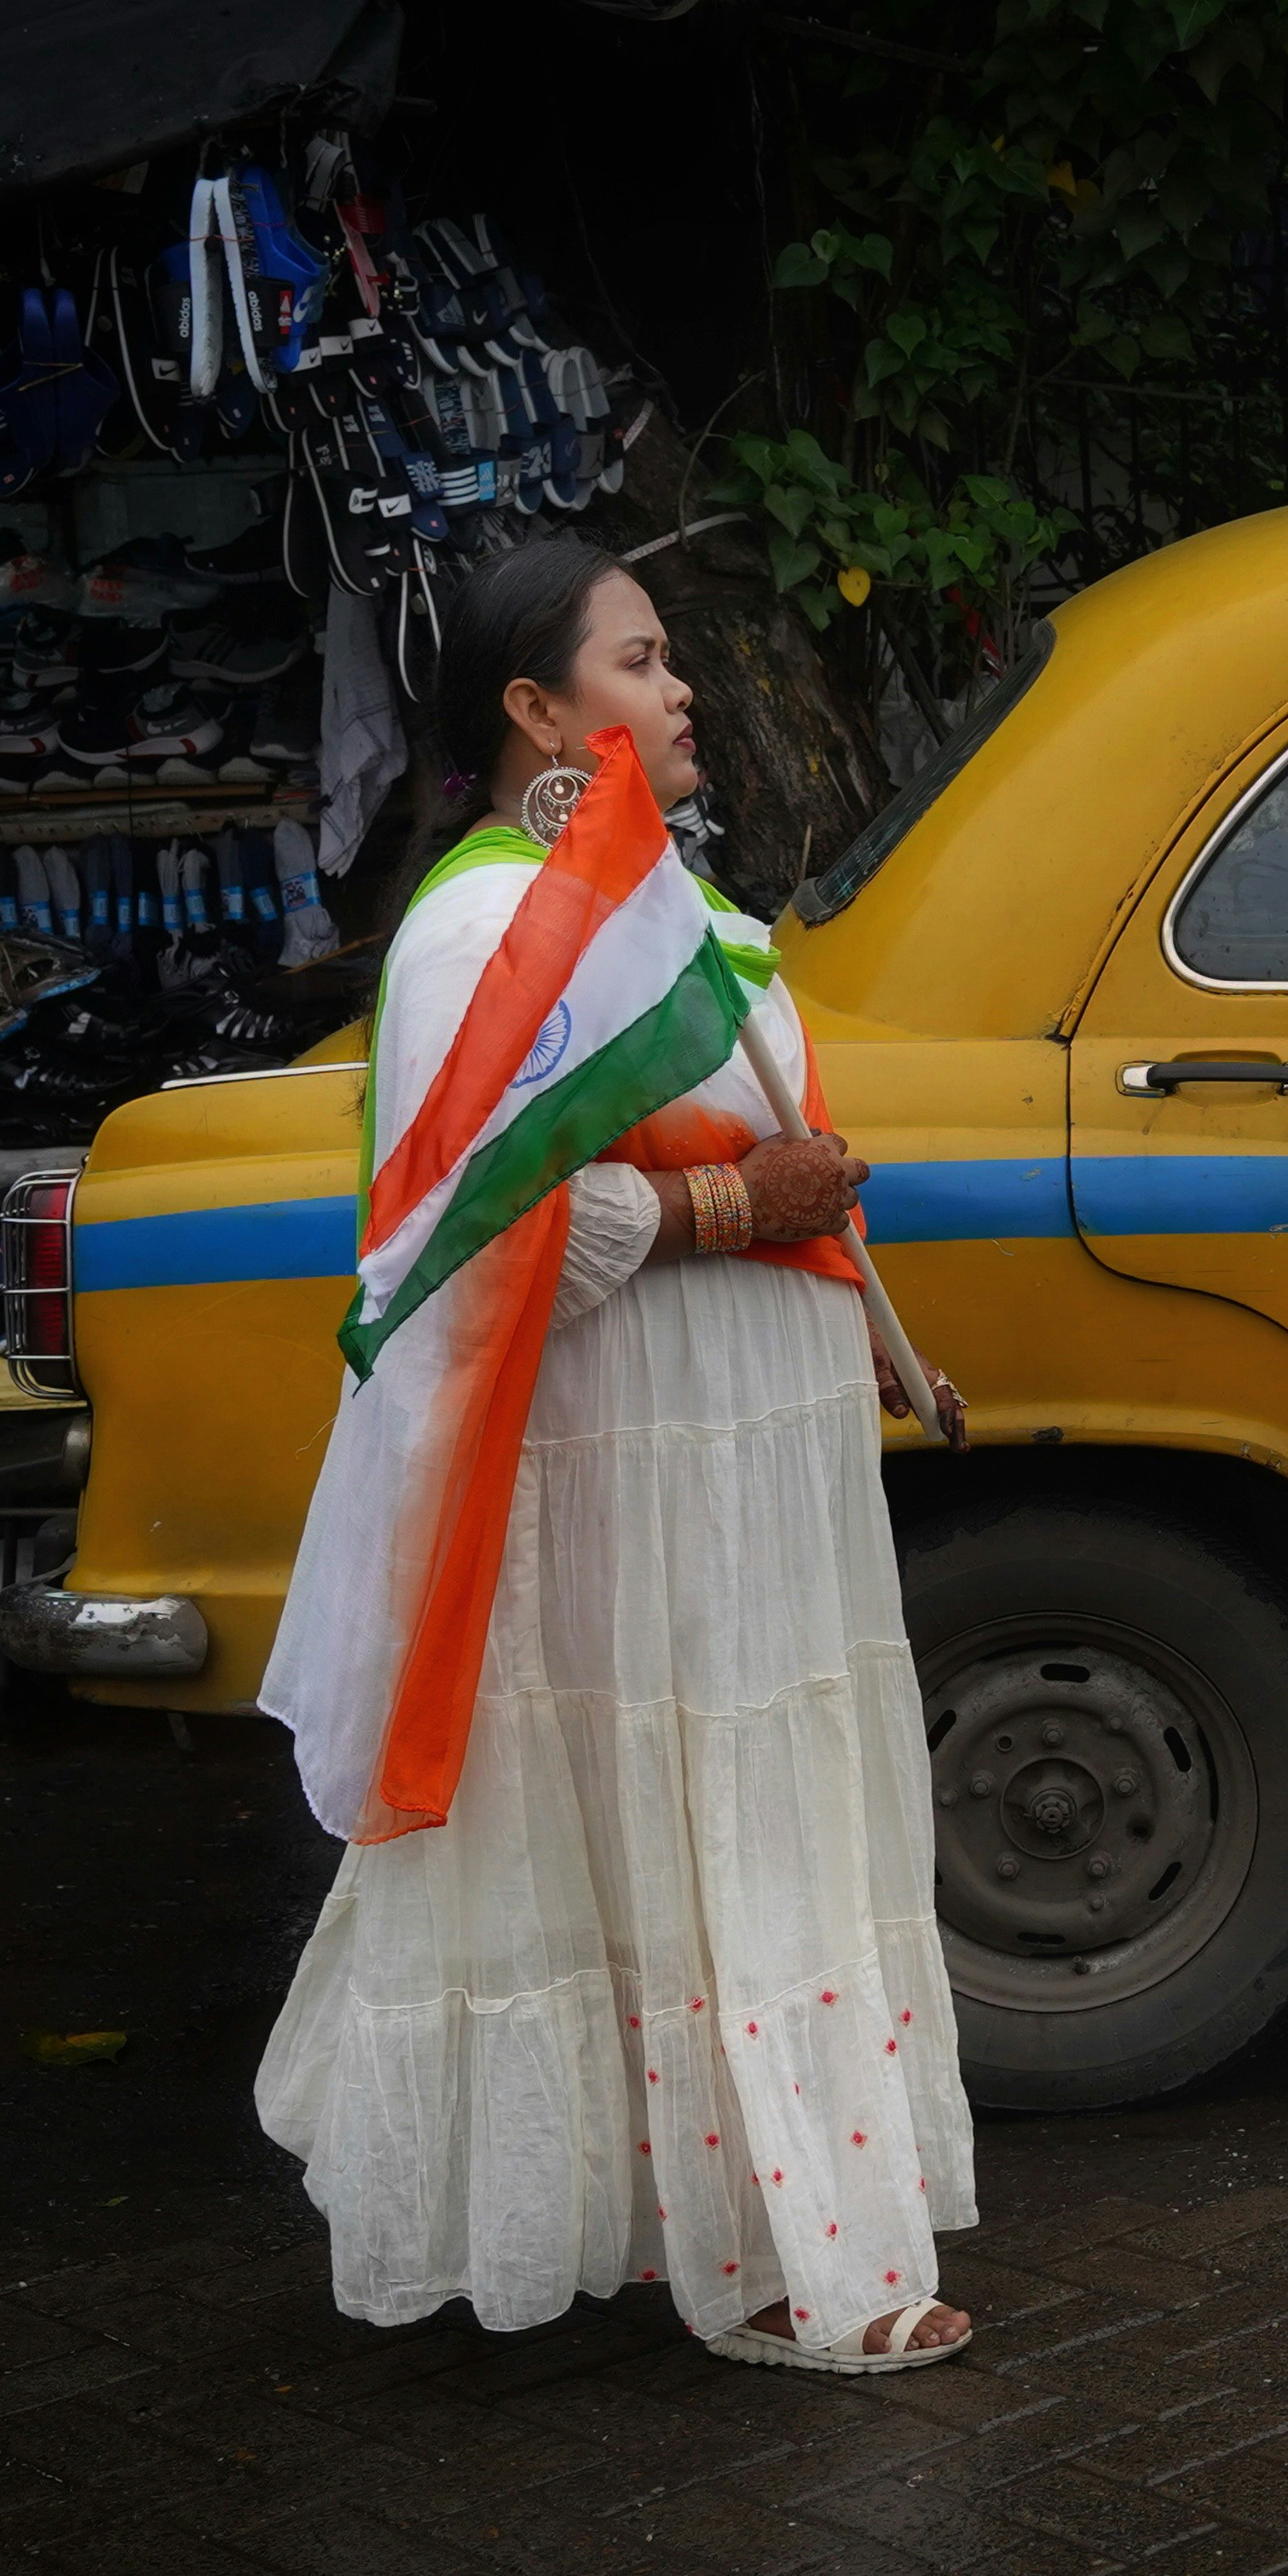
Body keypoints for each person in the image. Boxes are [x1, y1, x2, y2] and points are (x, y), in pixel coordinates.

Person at [255, 533, 979, 2371]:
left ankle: (715, 2228)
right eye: (642, 662)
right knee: (692, 1824)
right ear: (535, 709)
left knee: (734, 1821)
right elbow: (483, 1239)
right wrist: (739, 1207)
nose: (679, 694)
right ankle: (802, 2271)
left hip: (740, 1459)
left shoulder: (653, 897)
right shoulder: (491, 931)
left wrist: (867, 1321)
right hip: (628, 1460)